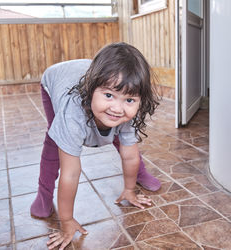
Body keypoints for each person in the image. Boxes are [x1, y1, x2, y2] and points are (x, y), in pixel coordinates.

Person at [30, 42, 161, 250]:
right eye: (108, 95)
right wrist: (66, 221)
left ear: (140, 100)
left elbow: (130, 155)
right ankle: (43, 193)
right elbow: (71, 174)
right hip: (55, 80)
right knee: (56, 140)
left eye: (129, 100)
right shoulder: (72, 115)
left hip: (89, 76)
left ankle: (139, 175)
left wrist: (129, 189)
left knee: (122, 133)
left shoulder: (125, 110)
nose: (118, 108)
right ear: (91, 90)